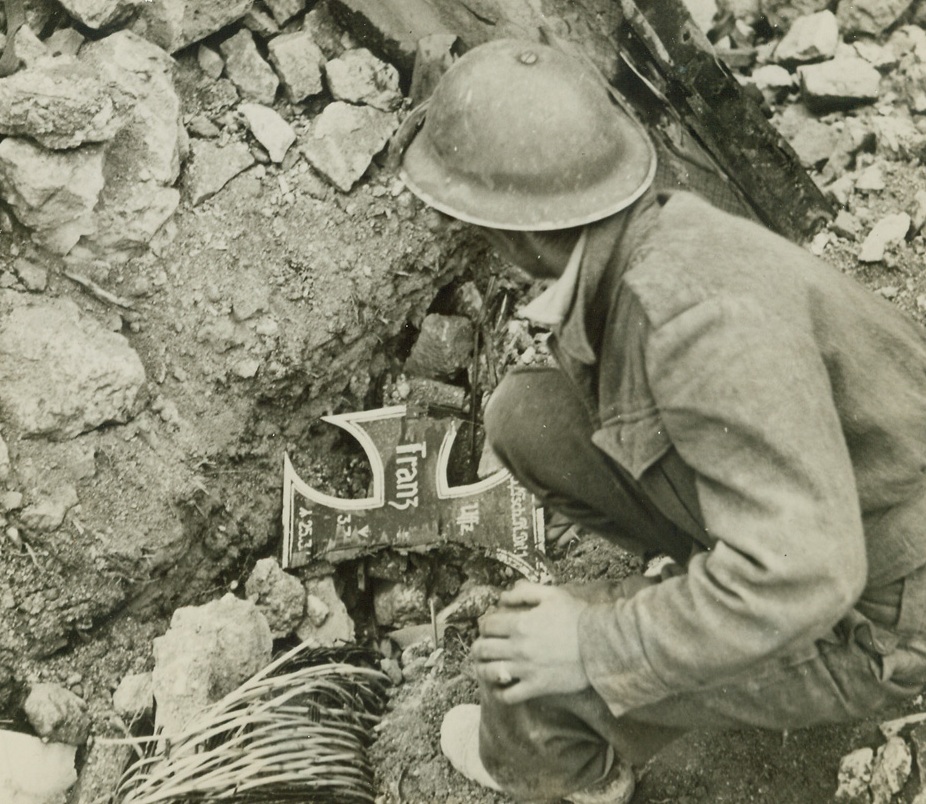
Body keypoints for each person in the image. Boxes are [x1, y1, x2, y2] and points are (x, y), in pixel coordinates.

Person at [398, 38, 926, 803]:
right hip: (845, 504)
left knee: (521, 672)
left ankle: (582, 773)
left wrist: (596, 642)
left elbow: (811, 571)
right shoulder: (660, 235)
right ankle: (708, 592)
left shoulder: (689, 325)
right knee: (526, 417)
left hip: (881, 616)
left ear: (510, 230)